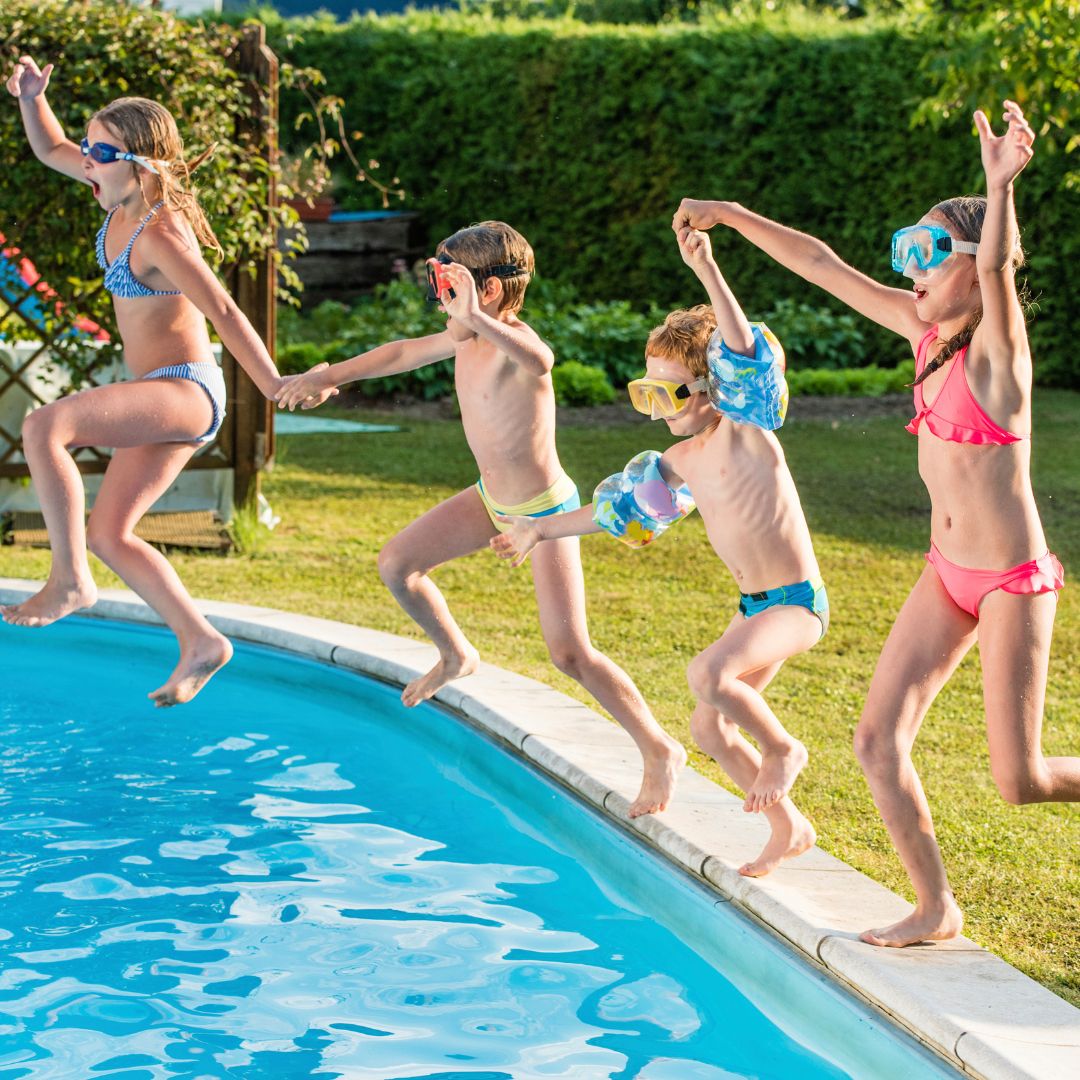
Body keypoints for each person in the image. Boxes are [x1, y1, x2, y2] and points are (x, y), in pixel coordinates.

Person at [673, 100, 1077, 944]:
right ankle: (935, 907)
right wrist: (730, 217)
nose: (911, 271)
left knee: (1023, 777)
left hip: (1008, 581)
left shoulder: (999, 356)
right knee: (874, 741)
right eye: (906, 251)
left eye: (928, 254)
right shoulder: (921, 335)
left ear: (970, 265)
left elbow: (1000, 271)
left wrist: (999, 188)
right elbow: (821, 265)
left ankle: (943, 895)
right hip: (946, 571)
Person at [276, 221, 686, 818]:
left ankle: (658, 747)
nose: (440, 296)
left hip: (545, 512)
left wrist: (479, 318)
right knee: (399, 564)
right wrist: (326, 375)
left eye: (448, 284)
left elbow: (542, 359)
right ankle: (455, 655)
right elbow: (398, 354)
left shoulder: (514, 345)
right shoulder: (462, 336)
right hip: (489, 499)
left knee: (569, 652)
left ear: (485, 291)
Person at [491, 224, 828, 877]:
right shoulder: (680, 457)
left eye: (667, 391)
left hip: (794, 604)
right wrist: (540, 530)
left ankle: (784, 750)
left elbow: (744, 349)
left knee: (708, 675)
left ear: (711, 390)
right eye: (645, 391)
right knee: (707, 728)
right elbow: (619, 510)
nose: (655, 406)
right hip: (754, 606)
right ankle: (789, 829)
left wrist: (707, 270)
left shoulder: (744, 432)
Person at [2, 57, 291, 706]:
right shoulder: (117, 190)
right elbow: (50, 146)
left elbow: (220, 308)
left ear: (143, 162)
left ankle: (69, 579)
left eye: (100, 152)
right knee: (110, 532)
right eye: (91, 148)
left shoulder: (162, 234)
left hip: (186, 390)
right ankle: (201, 641)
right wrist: (31, 97)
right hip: (163, 392)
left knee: (45, 425)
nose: (87, 161)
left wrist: (272, 384)